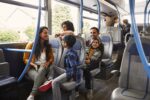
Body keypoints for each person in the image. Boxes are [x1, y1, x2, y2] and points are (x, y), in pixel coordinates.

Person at [24, 26, 54, 100]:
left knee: (45, 67)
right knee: (44, 81)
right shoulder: (31, 45)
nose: (47, 34)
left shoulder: (48, 46)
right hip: (32, 68)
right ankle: (48, 82)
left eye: (47, 33)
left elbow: (51, 58)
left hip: (45, 67)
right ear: (39, 34)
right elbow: (25, 59)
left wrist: (47, 62)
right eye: (45, 33)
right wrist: (34, 65)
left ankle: (32, 94)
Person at [52, 35, 81, 100]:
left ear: (66, 43)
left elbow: (74, 67)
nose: (61, 42)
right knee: (53, 65)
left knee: (54, 82)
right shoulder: (69, 50)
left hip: (71, 73)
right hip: (68, 71)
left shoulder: (70, 54)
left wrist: (72, 78)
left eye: (62, 41)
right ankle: (49, 78)